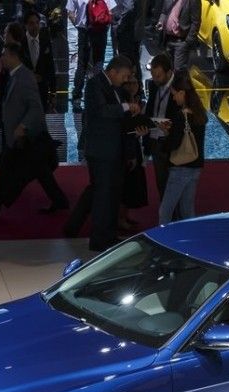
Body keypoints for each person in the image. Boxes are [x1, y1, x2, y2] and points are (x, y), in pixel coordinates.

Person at [0, 42, 67, 218]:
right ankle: (59, 201)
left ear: (12, 56)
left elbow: (35, 107)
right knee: (38, 171)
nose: (2, 58)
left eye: (4, 55)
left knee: (15, 170)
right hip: (18, 136)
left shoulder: (24, 77)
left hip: (24, 136)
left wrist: (23, 125)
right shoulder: (15, 76)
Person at [82, 54, 137, 250]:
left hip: (115, 152)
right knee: (103, 197)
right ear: (113, 71)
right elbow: (102, 111)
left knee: (113, 196)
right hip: (101, 152)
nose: (126, 80)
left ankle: (110, 236)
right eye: (124, 76)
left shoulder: (117, 89)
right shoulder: (94, 85)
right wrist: (126, 107)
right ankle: (99, 240)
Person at [159, 69, 206, 224]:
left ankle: (164, 238)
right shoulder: (200, 113)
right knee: (187, 210)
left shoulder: (181, 116)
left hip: (180, 168)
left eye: (174, 94)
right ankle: (192, 237)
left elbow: (173, 144)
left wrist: (166, 133)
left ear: (182, 93)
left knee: (165, 211)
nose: (173, 98)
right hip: (196, 167)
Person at [143, 52, 178, 204]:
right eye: (153, 75)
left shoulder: (180, 88)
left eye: (158, 76)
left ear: (169, 72)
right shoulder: (153, 85)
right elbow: (150, 110)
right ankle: (166, 210)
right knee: (161, 182)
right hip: (155, 141)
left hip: (172, 142)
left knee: (174, 184)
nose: (155, 79)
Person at [119, 71, 148, 232]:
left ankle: (125, 215)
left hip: (134, 145)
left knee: (131, 185)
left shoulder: (136, 101)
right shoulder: (124, 103)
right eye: (129, 83)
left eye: (135, 83)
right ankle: (120, 218)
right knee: (126, 185)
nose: (132, 86)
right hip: (127, 148)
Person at [68, 0, 108, 109]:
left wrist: (78, 26)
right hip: (101, 30)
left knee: (82, 64)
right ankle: (98, 96)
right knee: (98, 64)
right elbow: (111, 11)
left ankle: (77, 97)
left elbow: (70, 13)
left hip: (84, 30)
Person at [24, 10, 57, 111]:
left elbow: (50, 65)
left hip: (42, 89)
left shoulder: (45, 39)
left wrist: (53, 92)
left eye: (37, 23)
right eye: (31, 23)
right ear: (26, 25)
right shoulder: (21, 42)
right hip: (24, 89)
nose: (35, 26)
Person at [158, 0, 199, 70]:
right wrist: (161, 22)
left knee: (178, 71)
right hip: (167, 39)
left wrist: (188, 41)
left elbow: (195, 22)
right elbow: (164, 12)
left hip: (181, 41)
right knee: (167, 69)